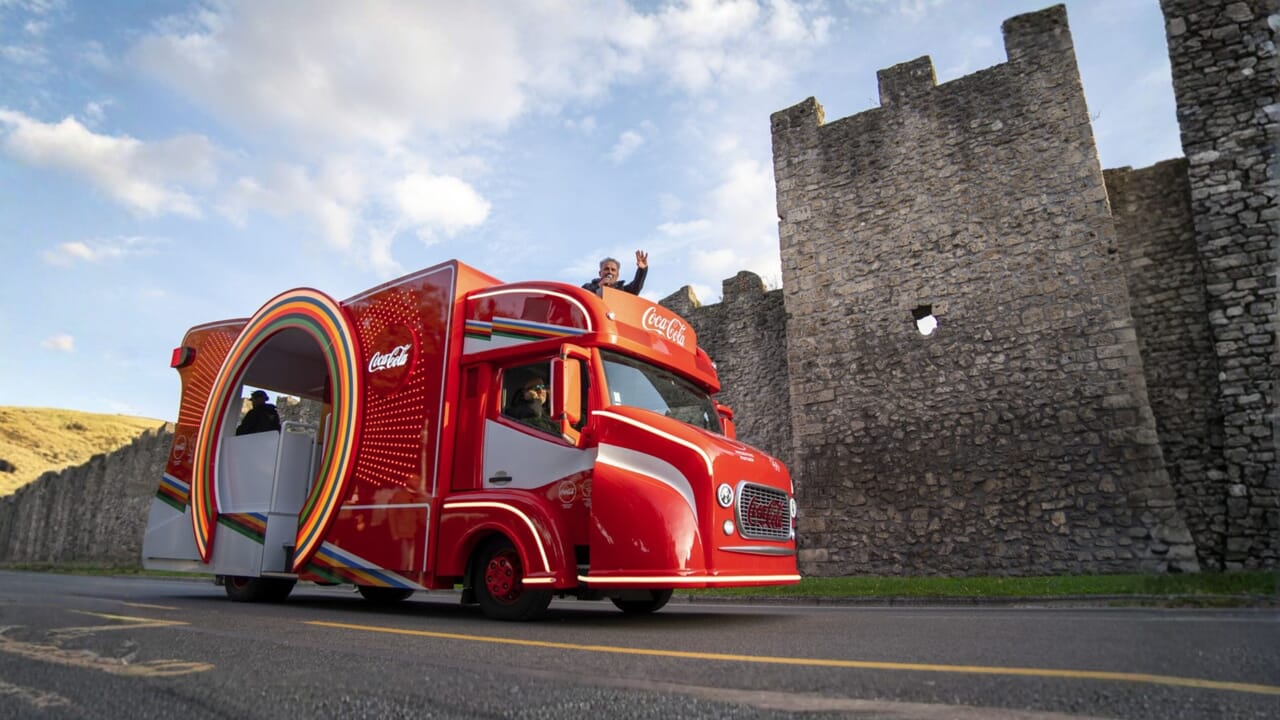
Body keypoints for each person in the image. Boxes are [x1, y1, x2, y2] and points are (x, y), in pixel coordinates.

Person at [582, 250, 648, 295]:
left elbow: (636, 287)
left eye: (613, 270)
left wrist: (642, 270)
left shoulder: (623, 291)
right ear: (600, 273)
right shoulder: (587, 287)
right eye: (606, 269)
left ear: (617, 275)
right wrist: (598, 286)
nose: (610, 272)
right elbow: (583, 295)